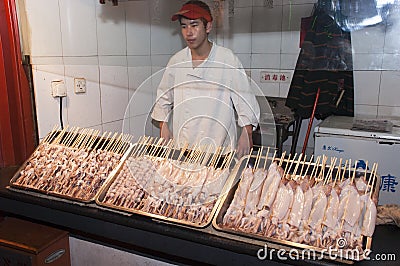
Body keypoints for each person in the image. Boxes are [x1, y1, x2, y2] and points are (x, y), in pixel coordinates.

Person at [151, 0, 260, 159]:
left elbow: (245, 100)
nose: (189, 32)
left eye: (194, 25)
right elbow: (163, 98)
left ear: (208, 26)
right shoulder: (177, 61)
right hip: (184, 149)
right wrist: (164, 125)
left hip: (219, 151)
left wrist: (246, 132)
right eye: (184, 26)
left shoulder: (226, 59)